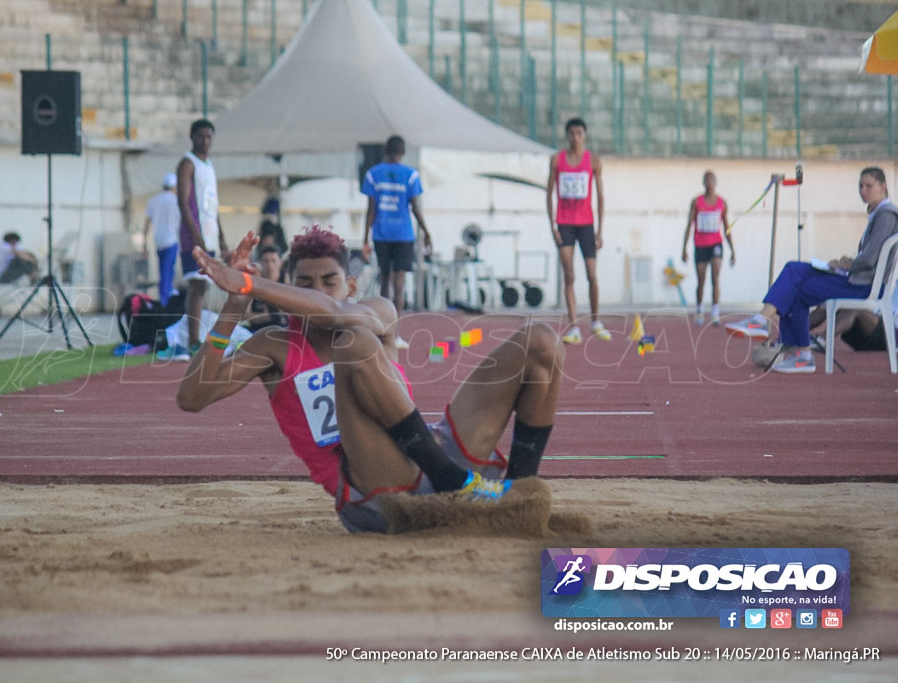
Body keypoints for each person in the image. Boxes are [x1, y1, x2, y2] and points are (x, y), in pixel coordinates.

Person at [177, 226, 564, 534]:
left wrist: (251, 284)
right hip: (376, 490)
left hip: (432, 454)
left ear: (351, 286)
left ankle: (521, 494)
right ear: (289, 289)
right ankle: (452, 480)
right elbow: (192, 398)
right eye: (303, 285)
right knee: (355, 343)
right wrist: (234, 304)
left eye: (329, 280)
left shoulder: (377, 309)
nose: (317, 291)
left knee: (542, 340)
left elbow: (335, 313)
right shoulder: (274, 346)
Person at [727, 167, 898, 373]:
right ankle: (790, 345)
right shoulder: (878, 215)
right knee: (795, 274)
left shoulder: (886, 216)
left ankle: (769, 327)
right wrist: (846, 262)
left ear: (882, 187)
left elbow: (870, 259)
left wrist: (847, 265)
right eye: (860, 186)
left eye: (869, 186)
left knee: (795, 279)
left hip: (863, 285)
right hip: (858, 279)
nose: (863, 190)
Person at [165, 118, 229, 361]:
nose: (205, 141)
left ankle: (196, 336)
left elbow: (213, 204)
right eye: (200, 136)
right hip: (194, 233)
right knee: (197, 286)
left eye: (209, 137)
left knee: (205, 286)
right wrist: (196, 235)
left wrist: (221, 236)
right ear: (191, 137)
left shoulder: (209, 165)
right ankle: (193, 340)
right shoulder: (187, 164)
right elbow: (183, 202)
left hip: (210, 232)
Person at [361, 135, 432, 342]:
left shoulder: (373, 174)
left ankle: (382, 328)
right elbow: (416, 207)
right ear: (402, 152)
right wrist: (427, 232)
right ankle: (395, 333)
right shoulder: (410, 175)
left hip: (381, 233)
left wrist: (365, 238)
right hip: (403, 234)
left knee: (385, 279)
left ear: (386, 150)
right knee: (399, 282)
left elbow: (370, 209)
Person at [547, 118, 609, 344]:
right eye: (572, 133)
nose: (576, 137)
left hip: (586, 224)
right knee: (569, 275)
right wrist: (553, 226)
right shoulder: (557, 160)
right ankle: (573, 327)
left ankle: (595, 321)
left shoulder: (593, 161)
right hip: (564, 224)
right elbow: (549, 194)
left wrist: (600, 230)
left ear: (585, 135)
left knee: (592, 274)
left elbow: (600, 196)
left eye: (579, 133)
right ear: (567, 135)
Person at [682, 171, 736, 326]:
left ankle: (715, 311)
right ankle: (699, 308)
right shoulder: (697, 202)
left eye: (712, 180)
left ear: (716, 183)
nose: (710, 184)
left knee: (715, 277)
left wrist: (733, 250)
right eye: (707, 181)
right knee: (701, 280)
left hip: (715, 244)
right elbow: (689, 225)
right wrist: (684, 248)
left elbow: (727, 227)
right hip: (700, 245)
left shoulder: (722, 203)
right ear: (703, 183)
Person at [143, 172, 181, 307]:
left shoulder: (153, 201)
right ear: (175, 187)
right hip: (172, 240)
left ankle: (165, 298)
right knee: (168, 271)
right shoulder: (177, 200)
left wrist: (144, 244)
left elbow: (147, 224)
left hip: (158, 241)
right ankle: (165, 302)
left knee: (163, 270)